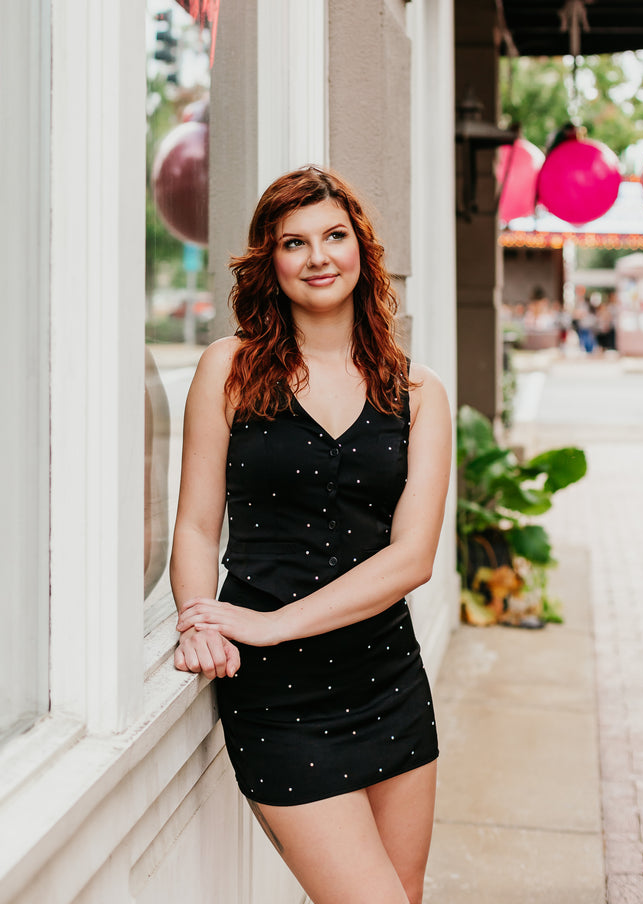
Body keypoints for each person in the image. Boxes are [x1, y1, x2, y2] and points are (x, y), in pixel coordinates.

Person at [170, 165, 452, 904]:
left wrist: (270, 624)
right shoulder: (228, 369)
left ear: (362, 249)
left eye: (335, 235)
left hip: (387, 679)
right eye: (295, 243)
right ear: (271, 262)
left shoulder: (419, 393)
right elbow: (198, 527)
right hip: (280, 701)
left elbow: (413, 558)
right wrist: (198, 618)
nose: (319, 256)